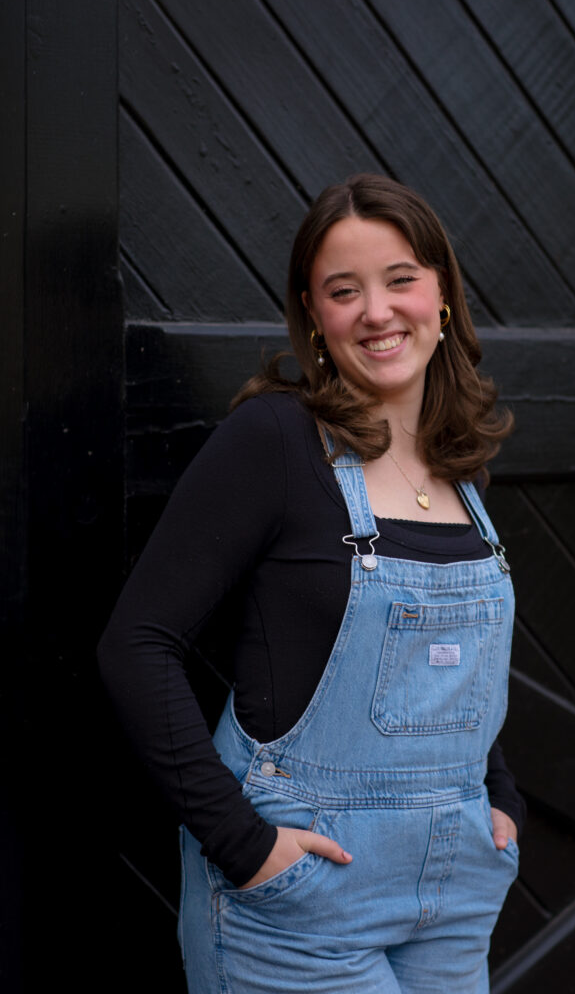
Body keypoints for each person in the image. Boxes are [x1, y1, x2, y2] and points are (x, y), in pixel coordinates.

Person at [98, 173, 524, 993]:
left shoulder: (460, 463)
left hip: (454, 899)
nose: (375, 310)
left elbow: (446, 671)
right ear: (314, 318)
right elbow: (135, 646)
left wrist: (496, 800)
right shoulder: (276, 441)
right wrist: (242, 845)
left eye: (400, 278)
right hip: (302, 901)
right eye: (343, 290)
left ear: (441, 296)